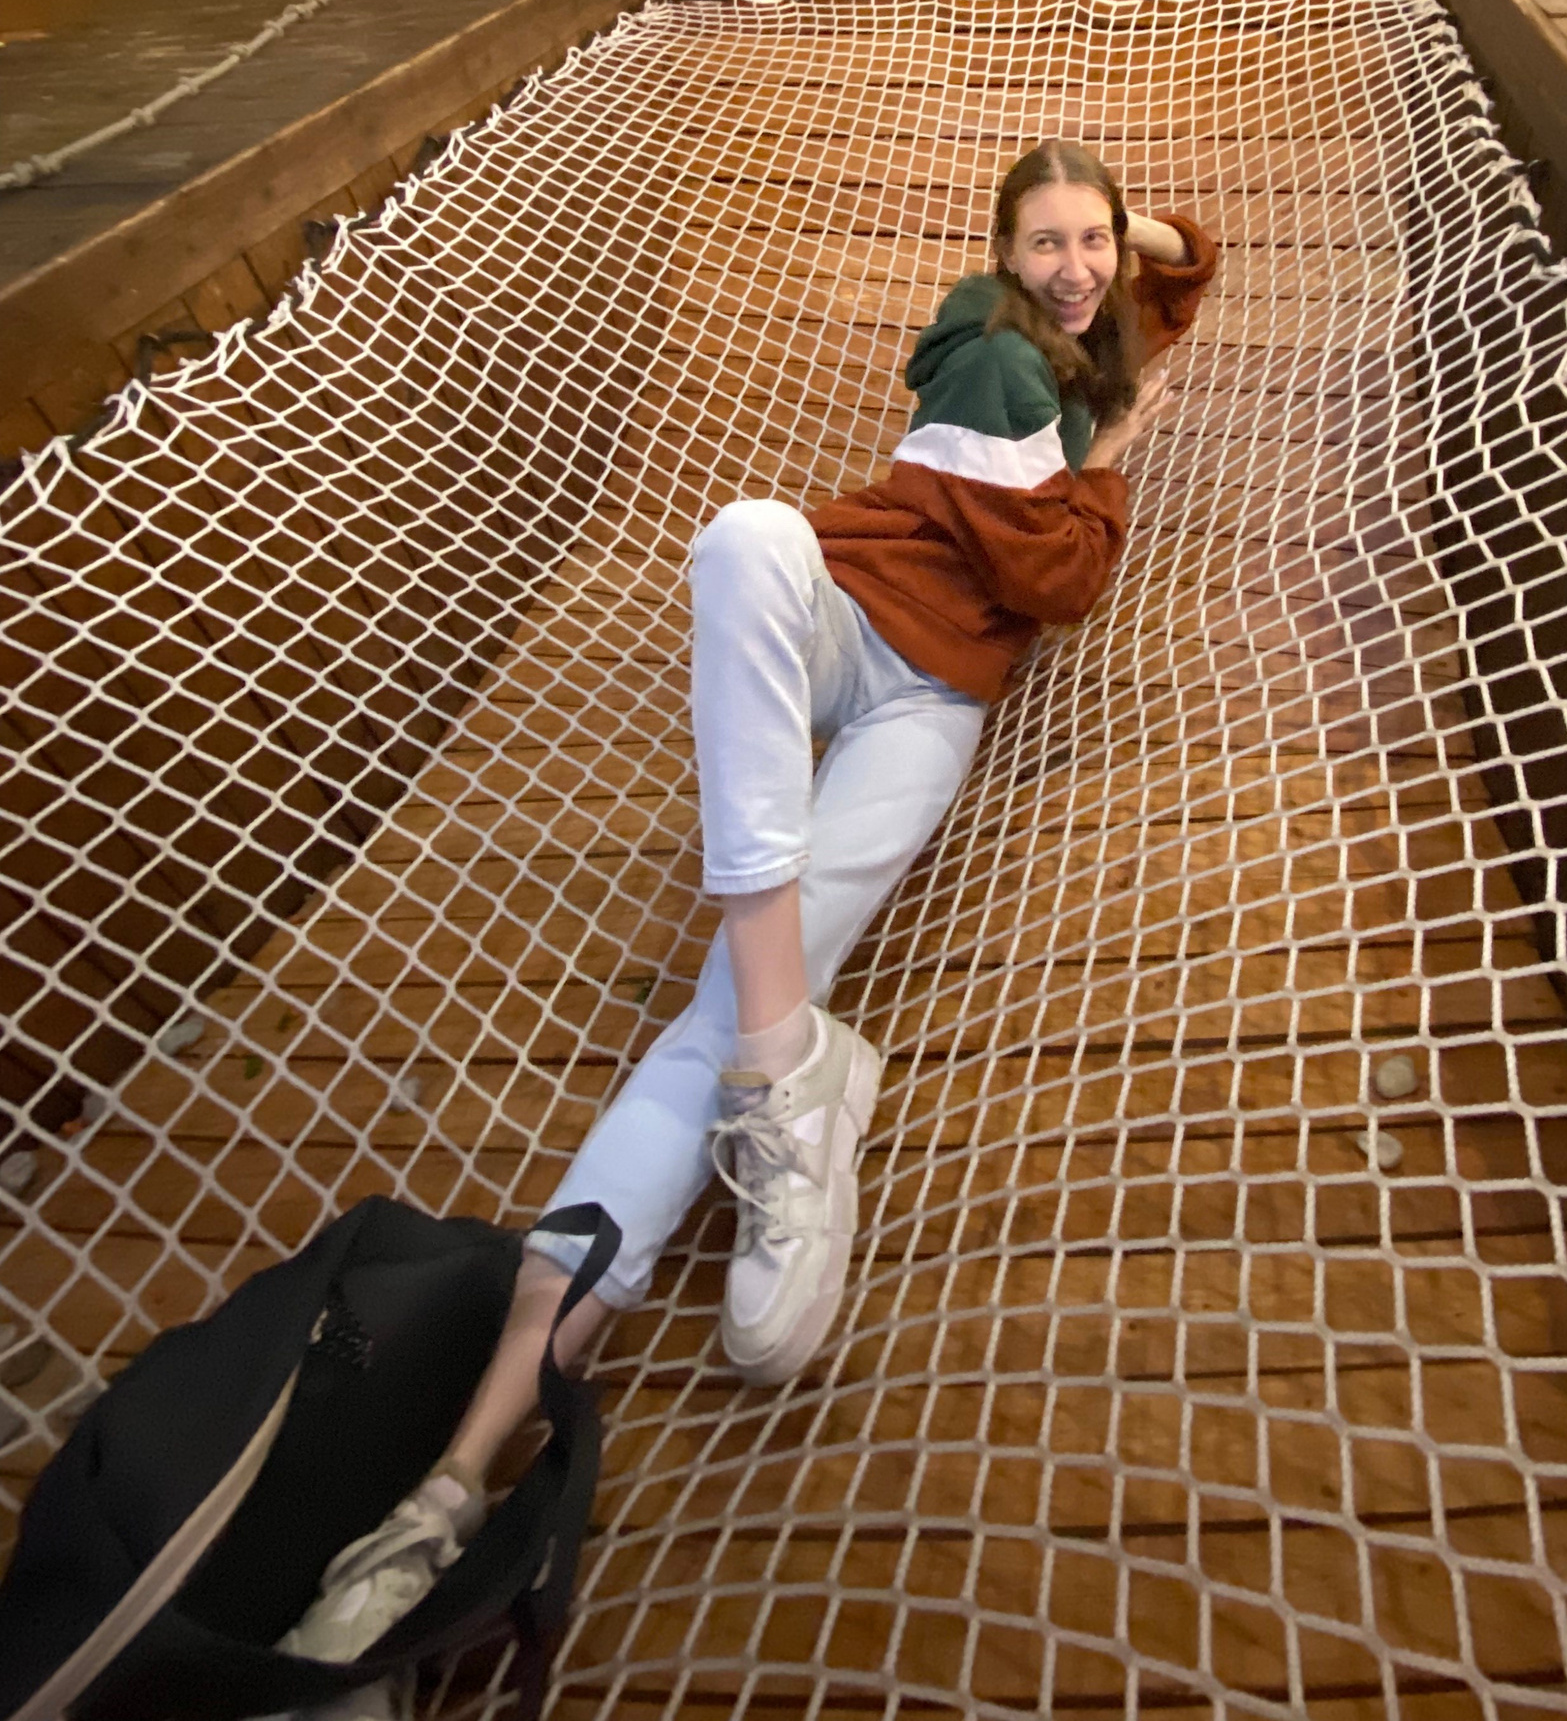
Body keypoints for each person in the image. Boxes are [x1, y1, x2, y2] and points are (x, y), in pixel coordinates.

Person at [278, 140, 1218, 1709]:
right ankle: (793, 1078)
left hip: (932, 704)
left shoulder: (1091, 323)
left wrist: (1140, 248)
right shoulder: (991, 357)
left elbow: (1190, 270)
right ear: (999, 254)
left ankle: (450, 1481)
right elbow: (1060, 576)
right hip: (857, 616)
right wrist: (1113, 451)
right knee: (744, 536)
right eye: (1045, 242)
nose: (1074, 269)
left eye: (1092, 243)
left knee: (726, 1005)